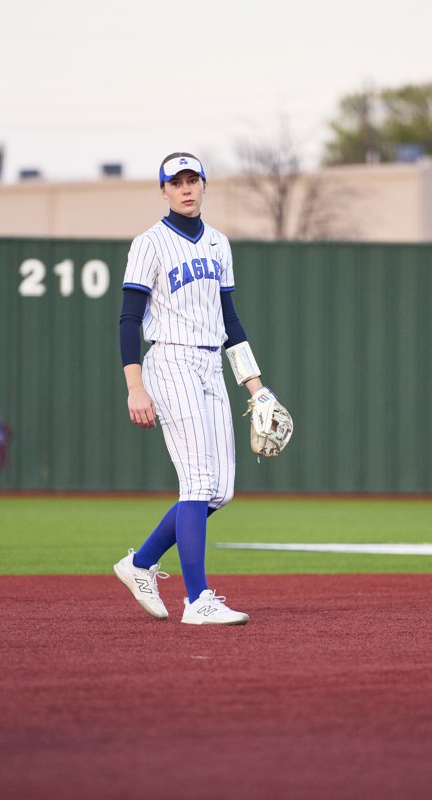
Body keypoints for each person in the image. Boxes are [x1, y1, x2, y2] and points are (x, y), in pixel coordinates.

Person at [112, 152, 277, 626]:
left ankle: (140, 563)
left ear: (204, 185)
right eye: (176, 182)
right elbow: (128, 319)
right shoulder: (149, 243)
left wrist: (256, 387)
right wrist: (134, 385)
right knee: (198, 482)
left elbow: (231, 322)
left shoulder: (220, 245)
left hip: (210, 365)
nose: (185, 188)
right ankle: (197, 599)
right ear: (162, 190)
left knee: (220, 491)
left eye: (193, 180)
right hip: (170, 359)